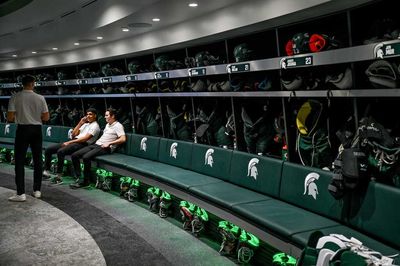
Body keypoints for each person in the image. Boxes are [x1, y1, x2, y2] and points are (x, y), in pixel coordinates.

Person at [7, 75, 49, 202]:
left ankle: (21, 193)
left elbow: (10, 118)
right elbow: (46, 118)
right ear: (33, 84)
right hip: (36, 130)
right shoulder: (40, 98)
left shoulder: (15, 97)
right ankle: (37, 191)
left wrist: (22, 115)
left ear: (22, 84)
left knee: (19, 162)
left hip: (22, 130)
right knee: (37, 160)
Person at [70, 108, 126, 189]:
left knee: (86, 157)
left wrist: (109, 143)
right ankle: (79, 177)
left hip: (106, 147)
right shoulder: (107, 125)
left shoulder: (118, 126)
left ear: (113, 116)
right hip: (97, 144)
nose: (105, 117)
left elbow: (123, 139)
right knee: (74, 155)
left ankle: (86, 181)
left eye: (107, 115)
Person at [43, 108, 100, 184]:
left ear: (95, 116)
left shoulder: (95, 126)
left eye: (90, 114)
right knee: (48, 149)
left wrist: (69, 142)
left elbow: (84, 139)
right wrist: (80, 123)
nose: (88, 116)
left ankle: (58, 177)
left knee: (61, 151)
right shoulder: (85, 124)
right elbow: (73, 135)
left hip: (82, 144)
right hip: (74, 141)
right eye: (87, 114)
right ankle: (46, 172)